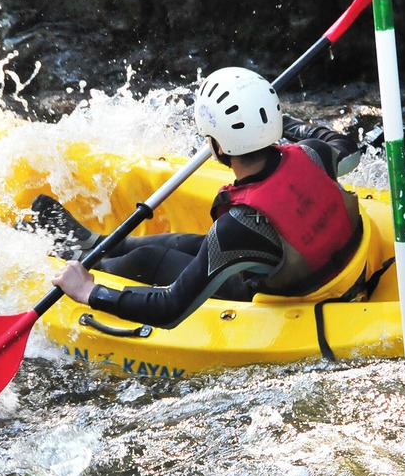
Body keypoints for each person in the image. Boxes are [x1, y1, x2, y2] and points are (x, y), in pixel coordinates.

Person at [46, 66, 363, 328]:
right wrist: (277, 123)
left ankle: (75, 268)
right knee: (180, 244)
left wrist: (90, 293)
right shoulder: (317, 154)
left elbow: (170, 308)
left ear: (221, 147)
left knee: (144, 261)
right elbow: (345, 147)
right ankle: (96, 244)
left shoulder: (239, 225)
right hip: (323, 266)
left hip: (286, 295)